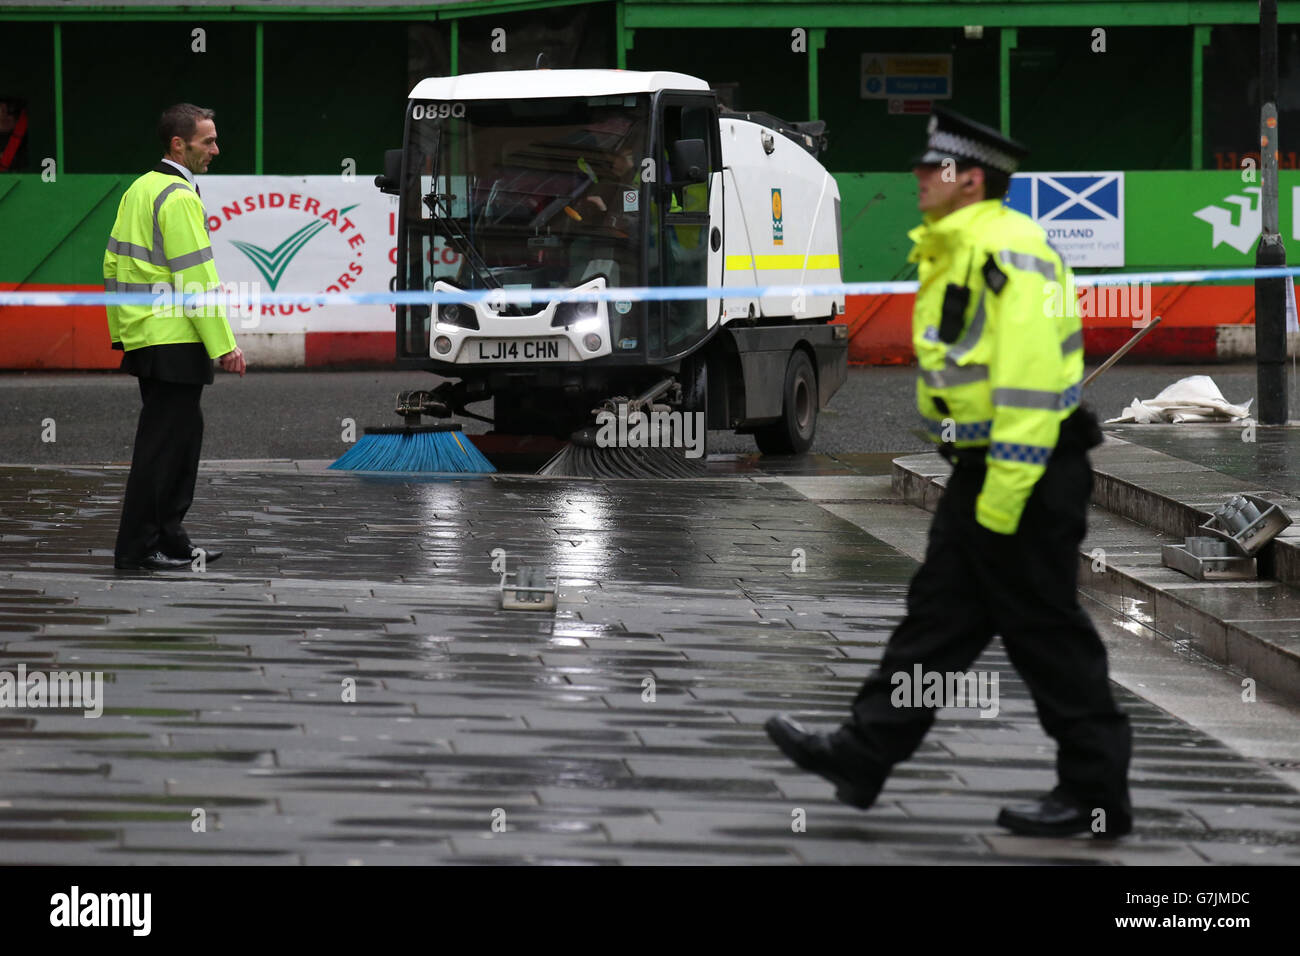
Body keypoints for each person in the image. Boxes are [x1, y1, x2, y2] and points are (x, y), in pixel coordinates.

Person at [765, 107, 1133, 839]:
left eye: (931, 169)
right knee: (935, 628)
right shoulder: (960, 245)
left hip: (1021, 476)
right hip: (987, 473)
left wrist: (998, 503)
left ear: (969, 180)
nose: (917, 178)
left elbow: (1030, 392)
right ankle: (862, 755)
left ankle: (1097, 797)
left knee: (1048, 636)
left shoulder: (1006, 251)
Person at [105, 103, 245, 571]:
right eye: (208, 141)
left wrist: (126, 332)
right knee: (167, 449)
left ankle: (169, 539)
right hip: (176, 338)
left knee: (175, 443)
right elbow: (196, 277)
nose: (216, 149)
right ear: (178, 145)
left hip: (149, 336)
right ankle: (142, 548)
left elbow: (114, 267)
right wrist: (223, 344)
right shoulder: (179, 196)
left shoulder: (140, 189)